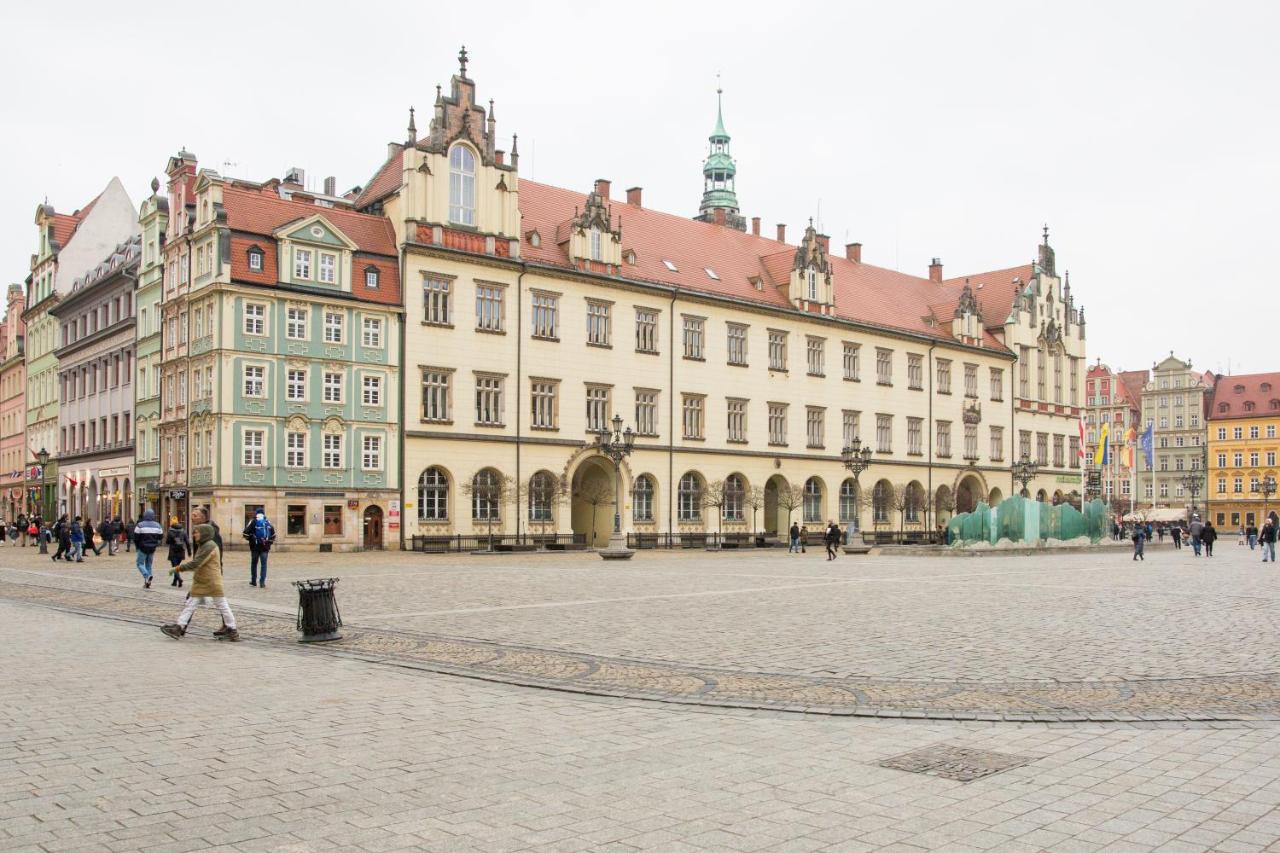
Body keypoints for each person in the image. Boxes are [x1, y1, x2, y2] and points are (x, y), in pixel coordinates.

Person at [160, 523, 239, 642]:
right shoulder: (204, 545)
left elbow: (196, 563)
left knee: (221, 605)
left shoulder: (209, 546)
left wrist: (177, 568)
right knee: (192, 604)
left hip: (209, 581)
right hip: (204, 580)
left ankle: (232, 629)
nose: (194, 534)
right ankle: (179, 626)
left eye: (197, 532)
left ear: (204, 534)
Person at [243, 509, 276, 587]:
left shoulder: (253, 521)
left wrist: (251, 539)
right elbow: (273, 535)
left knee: (254, 564)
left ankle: (254, 581)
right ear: (264, 514)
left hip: (254, 547)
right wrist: (268, 543)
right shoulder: (267, 522)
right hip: (265, 547)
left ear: (256, 513)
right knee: (263, 565)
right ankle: (262, 582)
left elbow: (245, 534)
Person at [131, 510, 164, 588]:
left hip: (142, 548)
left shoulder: (140, 525)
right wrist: (155, 543)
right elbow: (161, 536)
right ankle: (147, 582)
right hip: (152, 548)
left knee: (139, 563)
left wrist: (137, 546)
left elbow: (135, 537)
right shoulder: (158, 525)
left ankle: (147, 575)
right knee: (149, 565)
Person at [165, 517, 190, 587]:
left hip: (173, 551)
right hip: (181, 551)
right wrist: (189, 551)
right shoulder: (183, 530)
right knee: (176, 566)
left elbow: (167, 542)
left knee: (174, 567)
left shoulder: (170, 531)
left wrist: (171, 540)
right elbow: (187, 542)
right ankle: (174, 582)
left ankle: (179, 579)